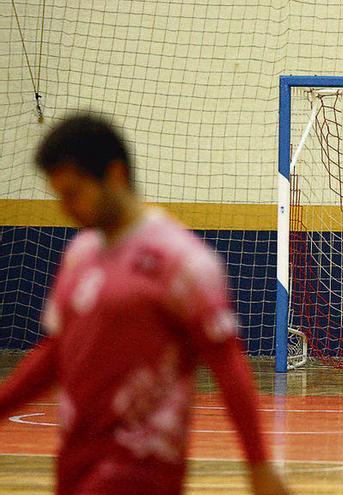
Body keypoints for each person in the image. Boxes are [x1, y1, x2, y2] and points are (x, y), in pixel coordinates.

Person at [0, 115, 288, 495]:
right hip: (74, 460)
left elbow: (228, 365)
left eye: (73, 193)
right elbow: (55, 352)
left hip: (141, 466)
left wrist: (259, 466)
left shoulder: (181, 260)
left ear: (115, 175)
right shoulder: (80, 253)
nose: (65, 208)